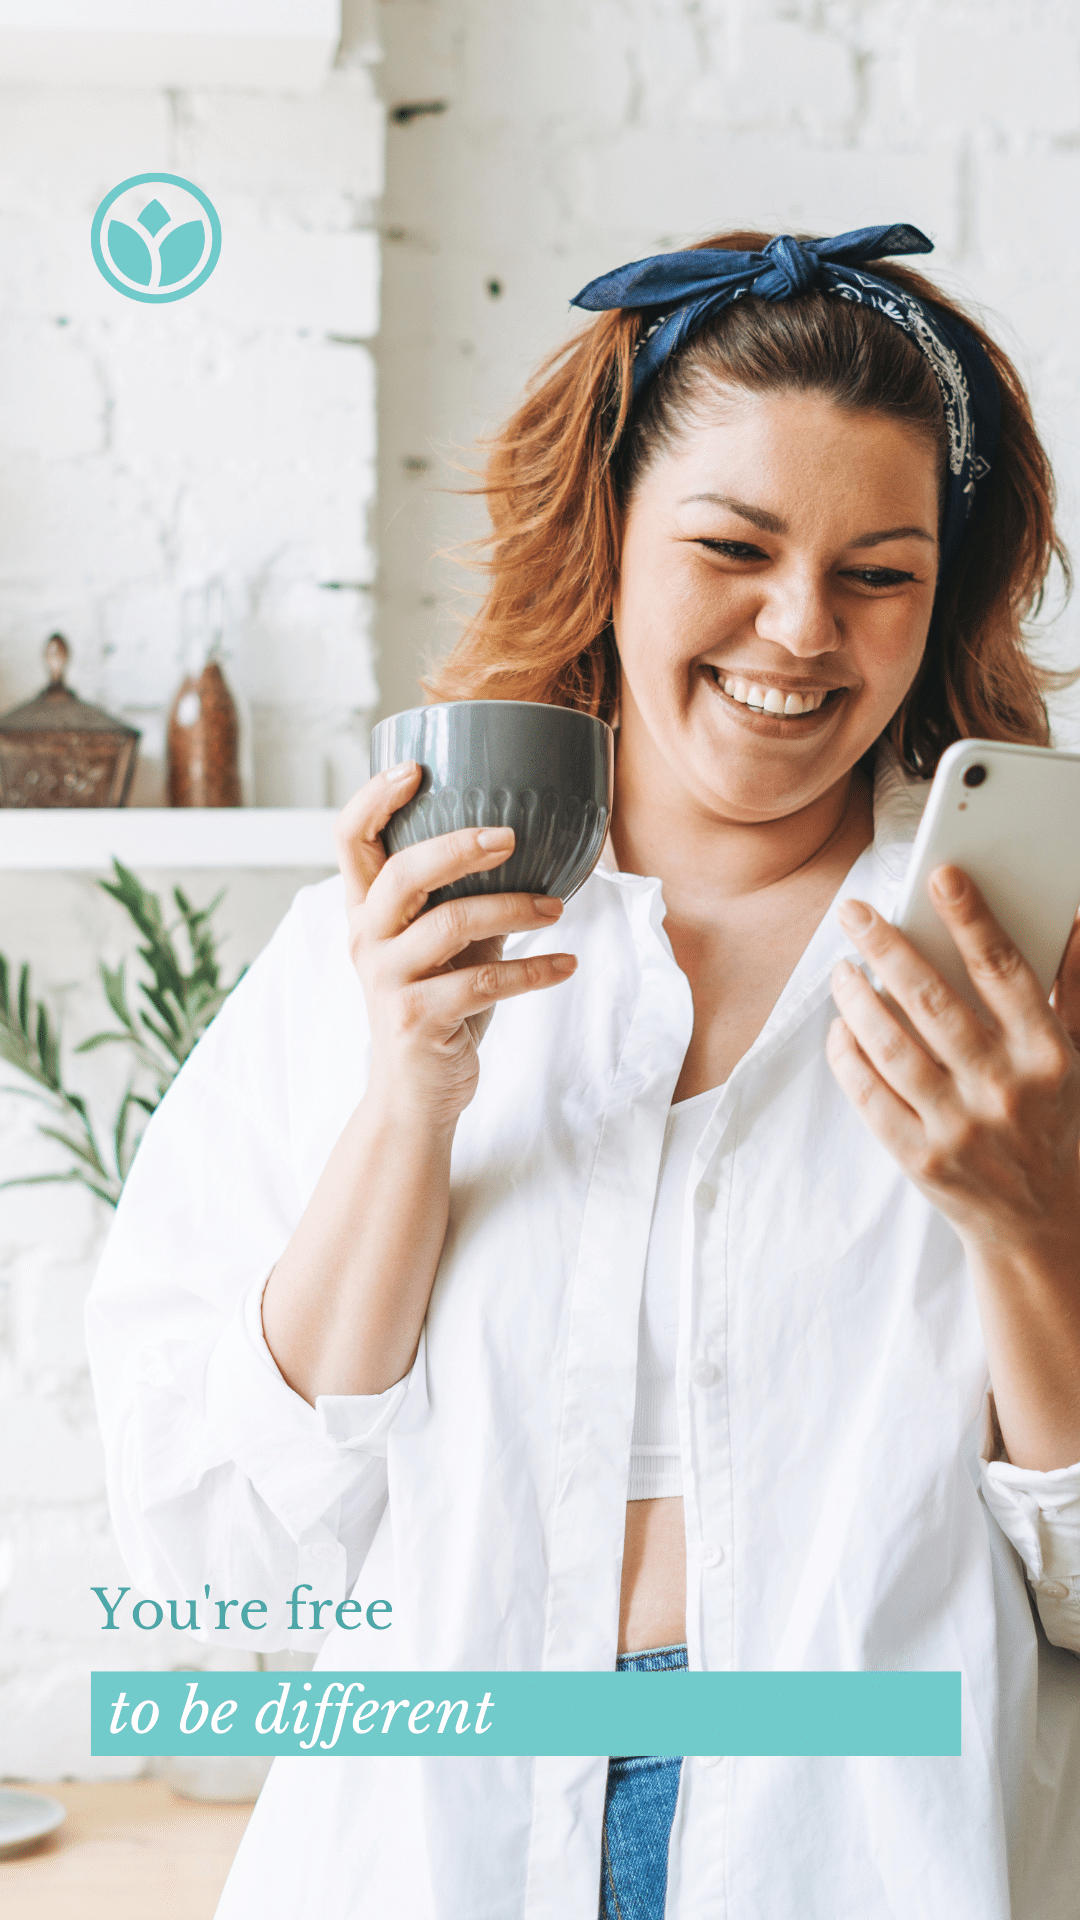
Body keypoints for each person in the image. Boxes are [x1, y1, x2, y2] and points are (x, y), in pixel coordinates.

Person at [85, 224, 1080, 1920]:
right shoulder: (379, 951)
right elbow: (223, 1557)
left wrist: (1033, 1224)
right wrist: (411, 1095)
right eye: (734, 545)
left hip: (856, 1850)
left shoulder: (1025, 970)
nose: (800, 630)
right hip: (429, 1844)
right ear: (608, 539)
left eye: (878, 572)